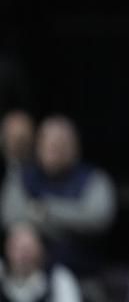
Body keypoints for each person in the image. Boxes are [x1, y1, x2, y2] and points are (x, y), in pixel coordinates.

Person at [0, 116, 116, 279]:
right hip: (34, 278)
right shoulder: (24, 176)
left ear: (74, 147)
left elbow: (97, 218)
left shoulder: (93, 178)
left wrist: (46, 211)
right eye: (48, 144)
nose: (53, 150)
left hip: (84, 274)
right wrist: (69, 222)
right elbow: (10, 216)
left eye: (60, 145)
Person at [0, 221, 82, 302]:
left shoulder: (58, 277)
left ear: (41, 250)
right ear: (7, 249)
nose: (23, 256)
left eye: (28, 249)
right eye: (17, 248)